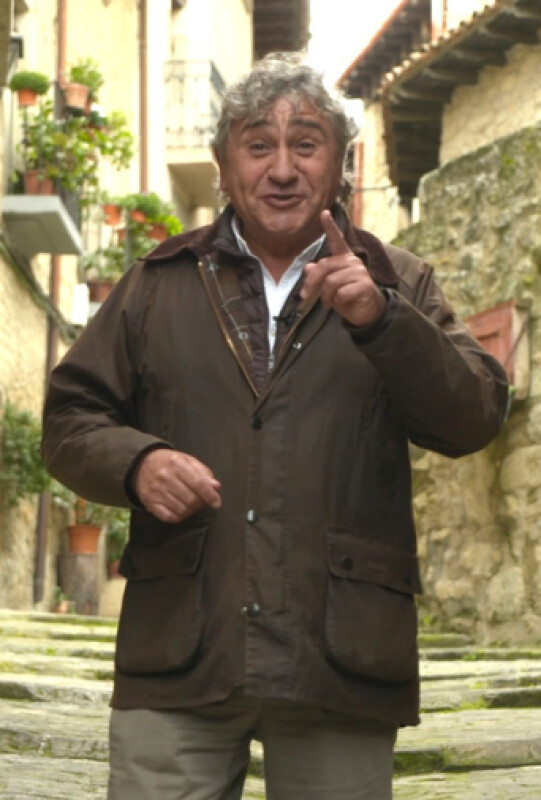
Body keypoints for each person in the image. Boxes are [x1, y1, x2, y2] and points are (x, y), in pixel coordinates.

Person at [42, 52, 508, 800]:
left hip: (339, 657)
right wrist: (136, 462)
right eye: (259, 145)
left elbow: (474, 416)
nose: (282, 169)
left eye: (306, 144)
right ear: (224, 167)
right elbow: (69, 417)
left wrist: (382, 321)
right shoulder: (156, 284)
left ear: (341, 165)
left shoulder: (399, 281)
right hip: (181, 650)